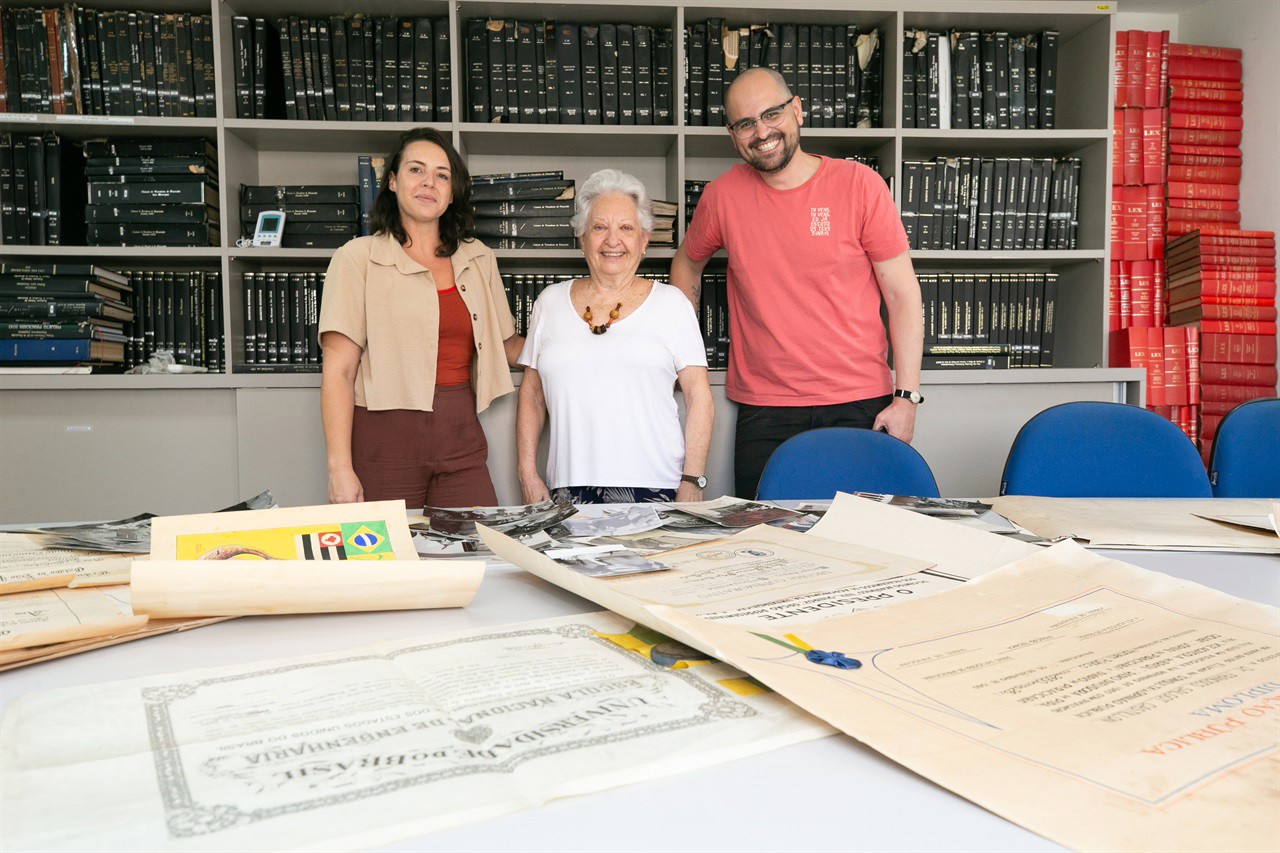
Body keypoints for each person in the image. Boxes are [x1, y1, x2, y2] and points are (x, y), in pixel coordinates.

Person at [671, 67, 924, 500]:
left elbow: (902, 295)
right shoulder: (721, 196)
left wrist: (906, 397)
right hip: (764, 410)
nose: (762, 131)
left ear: (798, 110)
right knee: (767, 547)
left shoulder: (860, 185)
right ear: (733, 136)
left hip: (861, 402)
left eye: (772, 114)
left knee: (864, 548)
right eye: (746, 123)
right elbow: (687, 264)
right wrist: (683, 354)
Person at [319, 127, 523, 509]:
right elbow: (339, 372)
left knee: (481, 556)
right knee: (388, 565)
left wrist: (576, 346)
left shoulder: (479, 259)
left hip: (461, 436)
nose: (429, 182)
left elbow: (507, 346)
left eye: (442, 175)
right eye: (416, 170)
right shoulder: (356, 259)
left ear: (452, 191)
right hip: (384, 444)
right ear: (393, 181)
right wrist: (339, 469)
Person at [517, 169, 714, 505]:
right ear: (582, 239)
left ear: (644, 240)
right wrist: (527, 473)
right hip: (566, 490)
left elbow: (700, 398)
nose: (612, 240)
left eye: (626, 228)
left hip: (657, 487)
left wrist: (692, 481)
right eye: (599, 227)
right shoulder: (549, 302)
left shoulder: (672, 304)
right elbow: (532, 396)